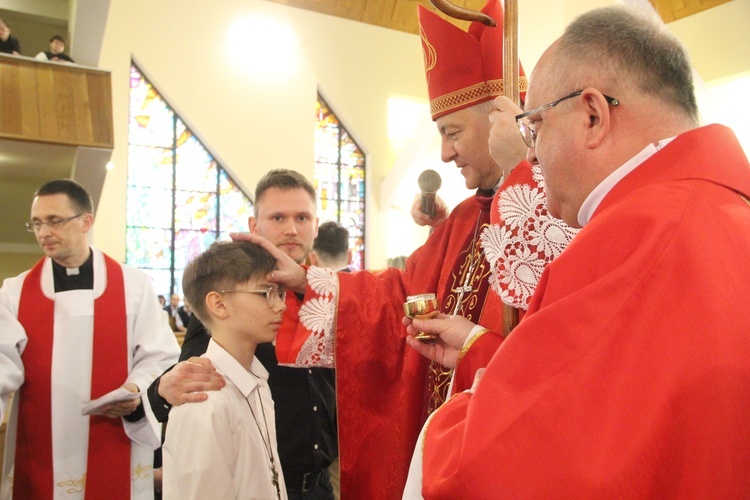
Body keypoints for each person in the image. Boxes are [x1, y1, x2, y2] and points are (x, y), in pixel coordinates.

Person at [402, 5, 750, 497]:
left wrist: (457, 423)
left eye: (536, 129)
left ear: (593, 115)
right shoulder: (724, 208)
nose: (530, 156)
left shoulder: (631, 238)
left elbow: (491, 464)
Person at [147, 169, 338, 500]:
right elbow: (191, 383)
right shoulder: (234, 299)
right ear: (255, 226)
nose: (292, 229)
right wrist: (162, 389)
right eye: (278, 217)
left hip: (321, 482)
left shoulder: (329, 294)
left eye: (302, 217)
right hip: (256, 477)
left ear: (316, 225)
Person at [0, 179, 180, 499]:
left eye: (55, 221)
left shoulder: (133, 286)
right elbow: (3, 365)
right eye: (37, 223)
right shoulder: (14, 293)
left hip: (112, 437)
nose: (44, 232)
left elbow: (160, 355)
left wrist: (134, 388)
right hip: (41, 444)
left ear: (86, 221)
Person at [162, 241, 288, 499]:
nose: (280, 306)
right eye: (266, 293)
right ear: (218, 304)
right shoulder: (204, 401)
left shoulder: (258, 380)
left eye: (281, 293)